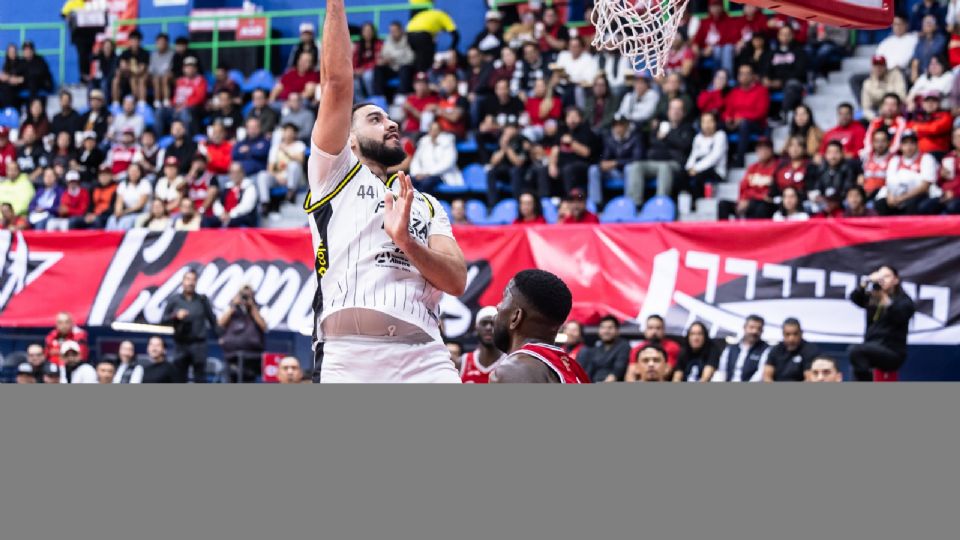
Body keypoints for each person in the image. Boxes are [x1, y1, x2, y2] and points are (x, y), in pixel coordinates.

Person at [307, 0, 466, 383]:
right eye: (375, 119)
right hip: (348, 353)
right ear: (350, 138)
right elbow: (337, 83)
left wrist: (408, 242)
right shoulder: (334, 173)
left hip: (424, 354)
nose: (391, 124)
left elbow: (457, 281)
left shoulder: (426, 204)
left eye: (391, 118)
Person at [488, 269, 590, 384]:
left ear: (516, 317)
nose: (498, 306)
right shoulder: (574, 370)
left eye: (504, 297)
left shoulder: (513, 371)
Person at [848, 265, 916, 381]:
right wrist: (866, 281)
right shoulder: (873, 297)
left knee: (855, 350)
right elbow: (854, 298)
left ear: (896, 280)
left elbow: (899, 316)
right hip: (871, 347)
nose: (882, 279)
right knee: (857, 363)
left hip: (892, 352)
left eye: (887, 276)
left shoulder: (904, 300)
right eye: (880, 276)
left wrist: (884, 299)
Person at [630, 98, 695, 206]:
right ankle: (635, 204)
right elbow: (653, 143)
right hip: (656, 161)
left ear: (683, 112)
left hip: (675, 164)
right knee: (636, 166)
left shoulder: (688, 128)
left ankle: (660, 203)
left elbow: (684, 145)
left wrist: (666, 137)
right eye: (673, 108)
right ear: (668, 111)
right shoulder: (660, 126)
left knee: (664, 167)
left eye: (679, 109)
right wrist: (670, 143)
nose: (675, 112)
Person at [161, 269, 218, 383]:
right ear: (182, 282)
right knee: (179, 378)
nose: (190, 283)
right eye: (188, 279)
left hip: (199, 345)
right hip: (181, 345)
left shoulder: (202, 300)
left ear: (196, 282)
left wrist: (221, 338)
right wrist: (175, 315)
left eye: (193, 280)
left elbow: (213, 321)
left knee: (200, 379)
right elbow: (163, 320)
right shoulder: (175, 299)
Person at [877, 129, 934, 215]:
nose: (909, 146)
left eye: (912, 143)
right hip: (897, 194)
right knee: (880, 203)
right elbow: (889, 183)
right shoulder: (895, 160)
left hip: (917, 195)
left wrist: (902, 198)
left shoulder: (926, 158)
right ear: (900, 146)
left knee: (912, 204)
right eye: (905, 143)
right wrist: (890, 197)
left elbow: (924, 187)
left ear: (917, 144)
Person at [588, 114, 642, 206]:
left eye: (621, 124)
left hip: (628, 172)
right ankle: (596, 205)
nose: (618, 128)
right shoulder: (609, 138)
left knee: (630, 168)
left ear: (627, 125)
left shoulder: (635, 137)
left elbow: (637, 159)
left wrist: (616, 163)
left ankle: (629, 204)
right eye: (616, 125)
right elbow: (605, 156)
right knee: (593, 169)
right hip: (614, 172)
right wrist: (602, 164)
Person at [217, 284, 267, 383]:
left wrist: (252, 307)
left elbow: (264, 326)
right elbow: (220, 323)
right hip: (231, 355)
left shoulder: (259, 308)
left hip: (252, 356)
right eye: (243, 295)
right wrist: (233, 306)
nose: (245, 298)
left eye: (248, 295)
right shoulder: (231, 308)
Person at [724, 63, 769, 168]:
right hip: (736, 122)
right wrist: (728, 119)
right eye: (741, 73)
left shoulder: (761, 91)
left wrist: (742, 118)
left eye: (747, 73)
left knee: (744, 124)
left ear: (753, 76)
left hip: (756, 125)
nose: (744, 76)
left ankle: (739, 161)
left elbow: (761, 112)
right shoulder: (734, 92)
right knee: (718, 126)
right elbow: (728, 110)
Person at [712, 315, 770, 382]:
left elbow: (760, 374)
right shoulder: (731, 349)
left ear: (762, 331)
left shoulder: (766, 350)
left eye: (759, 329)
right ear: (744, 327)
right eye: (751, 327)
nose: (755, 331)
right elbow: (722, 370)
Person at [576, 315, 631, 382]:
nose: (606, 331)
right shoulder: (597, 347)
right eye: (603, 327)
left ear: (617, 331)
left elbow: (618, 371)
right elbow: (590, 370)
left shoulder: (623, 346)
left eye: (610, 328)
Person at [409, 121, 461, 192]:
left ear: (440, 131)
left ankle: (423, 202)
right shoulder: (423, 142)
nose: (434, 132)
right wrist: (416, 173)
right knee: (410, 180)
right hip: (422, 174)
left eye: (436, 130)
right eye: (432, 129)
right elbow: (416, 161)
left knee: (426, 183)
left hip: (442, 175)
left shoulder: (447, 142)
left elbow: (448, 163)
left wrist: (427, 173)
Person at [732, 137, 777, 219]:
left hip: (765, 204)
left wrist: (756, 196)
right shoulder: (752, 168)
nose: (762, 151)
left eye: (765, 148)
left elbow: (769, 195)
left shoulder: (776, 167)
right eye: (759, 148)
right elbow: (743, 188)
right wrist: (742, 200)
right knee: (723, 204)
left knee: (759, 206)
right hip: (750, 200)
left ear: (771, 150)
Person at [456, 307, 503, 383]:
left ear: (500, 328)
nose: (488, 327)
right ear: (476, 328)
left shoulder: (510, 362)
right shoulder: (461, 363)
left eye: (493, 323)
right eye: (484, 323)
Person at [808, 141, 856, 217]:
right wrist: (820, 198)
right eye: (830, 153)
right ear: (825, 155)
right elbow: (817, 188)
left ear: (842, 154)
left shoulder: (847, 169)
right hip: (825, 202)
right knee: (808, 205)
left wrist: (835, 202)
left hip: (841, 201)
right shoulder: (821, 169)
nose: (833, 156)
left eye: (836, 152)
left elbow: (847, 190)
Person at [686, 111, 728, 198]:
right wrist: (689, 168)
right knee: (681, 175)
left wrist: (696, 169)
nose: (707, 125)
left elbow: (714, 158)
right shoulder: (698, 138)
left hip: (716, 171)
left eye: (710, 121)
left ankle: (698, 202)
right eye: (704, 122)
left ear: (715, 123)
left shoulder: (720, 136)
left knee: (697, 178)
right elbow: (693, 155)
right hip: (698, 169)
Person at [405, 8, 459, 73]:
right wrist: (452, 49)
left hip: (409, 33)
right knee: (427, 57)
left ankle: (419, 74)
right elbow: (456, 36)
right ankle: (424, 74)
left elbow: (433, 40)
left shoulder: (432, 17)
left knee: (419, 56)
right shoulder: (444, 16)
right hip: (422, 34)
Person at [922, 126, 960, 215]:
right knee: (924, 206)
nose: (959, 140)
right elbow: (939, 182)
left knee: (951, 207)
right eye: (956, 137)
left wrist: (955, 193)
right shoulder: (948, 157)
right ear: (953, 140)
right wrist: (941, 175)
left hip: (956, 196)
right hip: (945, 195)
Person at [211, 163, 258, 228]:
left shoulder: (249, 187)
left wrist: (230, 215)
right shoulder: (227, 187)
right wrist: (221, 213)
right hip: (225, 217)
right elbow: (217, 202)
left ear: (242, 173)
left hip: (241, 218)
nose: (235, 175)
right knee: (207, 221)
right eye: (232, 172)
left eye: (237, 172)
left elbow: (246, 207)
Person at [861, 55, 907, 121]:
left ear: (885, 66)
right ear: (872, 67)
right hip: (878, 114)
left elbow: (902, 97)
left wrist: (881, 90)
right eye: (875, 66)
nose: (878, 69)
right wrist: (877, 119)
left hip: (896, 111)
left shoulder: (896, 75)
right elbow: (866, 108)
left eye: (881, 66)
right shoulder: (867, 83)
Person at [374, 22, 415, 96]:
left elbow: (411, 59)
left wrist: (393, 58)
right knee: (378, 68)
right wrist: (385, 61)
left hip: (403, 68)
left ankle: (401, 96)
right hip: (391, 67)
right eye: (391, 31)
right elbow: (384, 55)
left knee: (405, 69)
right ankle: (379, 96)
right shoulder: (388, 40)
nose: (393, 33)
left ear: (401, 30)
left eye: (395, 31)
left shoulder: (408, 40)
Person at [863, 94, 908, 158]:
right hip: (874, 156)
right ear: (882, 106)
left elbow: (897, 144)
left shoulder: (901, 122)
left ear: (898, 108)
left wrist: (886, 157)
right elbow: (868, 140)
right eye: (887, 104)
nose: (889, 108)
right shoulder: (875, 121)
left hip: (895, 157)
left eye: (893, 105)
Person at [149, 33, 174, 108]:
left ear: (167, 43)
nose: (161, 44)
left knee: (165, 77)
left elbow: (172, 69)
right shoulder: (153, 55)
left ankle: (166, 101)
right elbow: (151, 69)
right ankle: (157, 101)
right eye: (159, 42)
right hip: (155, 77)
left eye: (163, 42)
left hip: (168, 77)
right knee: (156, 78)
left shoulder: (172, 54)